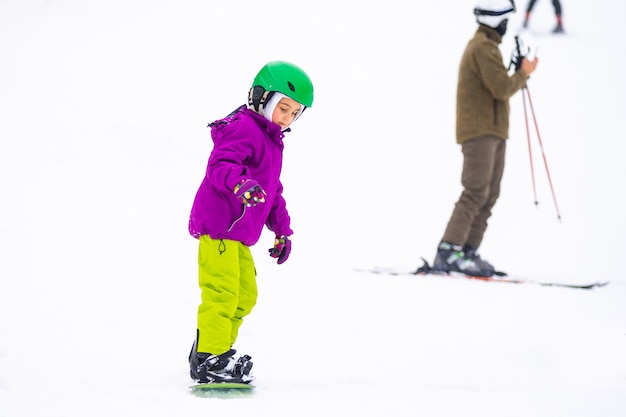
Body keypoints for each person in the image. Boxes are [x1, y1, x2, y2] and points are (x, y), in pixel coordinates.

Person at [187, 61, 314, 384]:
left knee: (245, 295)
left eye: (294, 113)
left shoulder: (272, 141)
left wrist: (282, 230)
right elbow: (221, 166)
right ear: (260, 98)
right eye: (282, 108)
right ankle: (209, 357)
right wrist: (241, 183)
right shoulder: (242, 127)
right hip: (219, 228)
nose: (286, 117)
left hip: (239, 234)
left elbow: (273, 190)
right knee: (222, 293)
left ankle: (218, 351)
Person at [431, 0, 538, 277]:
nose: (505, 26)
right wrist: (523, 73)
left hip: (493, 130)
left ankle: (467, 250)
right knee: (476, 191)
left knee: (489, 194)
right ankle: (449, 250)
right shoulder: (482, 47)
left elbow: (499, 87)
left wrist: (519, 73)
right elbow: (501, 88)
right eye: (504, 20)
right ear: (494, 20)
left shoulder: (488, 47)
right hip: (480, 132)